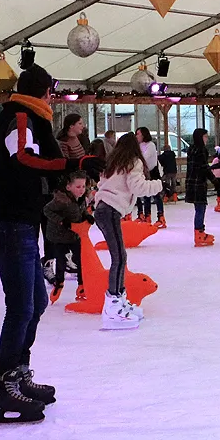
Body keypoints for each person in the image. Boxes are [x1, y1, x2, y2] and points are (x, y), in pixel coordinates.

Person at [0, 64, 101, 425]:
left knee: (34, 304)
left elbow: (31, 160)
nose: (53, 95)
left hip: (21, 223)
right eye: (51, 89)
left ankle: (19, 374)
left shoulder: (31, 117)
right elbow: (23, 158)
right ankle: (4, 387)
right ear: (42, 91)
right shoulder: (21, 116)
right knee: (21, 307)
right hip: (9, 223)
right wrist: (71, 161)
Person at [93, 134, 164, 331]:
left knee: (120, 257)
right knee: (119, 258)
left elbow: (101, 185)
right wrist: (159, 185)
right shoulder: (132, 162)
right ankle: (112, 305)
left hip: (103, 209)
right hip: (110, 210)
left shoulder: (113, 163)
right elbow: (138, 187)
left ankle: (119, 299)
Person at [43, 172, 91, 304]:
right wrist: (62, 221)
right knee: (61, 261)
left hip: (74, 235)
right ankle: (59, 283)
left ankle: (82, 285)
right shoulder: (61, 200)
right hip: (59, 236)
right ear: (68, 187)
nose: (81, 190)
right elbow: (47, 210)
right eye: (78, 187)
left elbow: (81, 210)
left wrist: (87, 216)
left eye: (83, 186)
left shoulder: (81, 198)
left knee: (81, 259)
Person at [183, 128, 217, 247]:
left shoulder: (191, 149)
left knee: (198, 207)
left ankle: (199, 231)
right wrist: (214, 180)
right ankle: (199, 233)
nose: (207, 139)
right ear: (200, 137)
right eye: (205, 136)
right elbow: (204, 167)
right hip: (198, 182)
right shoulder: (202, 150)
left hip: (191, 181)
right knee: (201, 207)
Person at [134, 127, 164, 228]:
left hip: (152, 172)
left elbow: (145, 158)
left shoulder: (150, 145)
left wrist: (137, 160)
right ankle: (147, 216)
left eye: (138, 134)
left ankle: (161, 217)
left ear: (143, 135)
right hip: (144, 172)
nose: (137, 136)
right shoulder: (138, 146)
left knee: (155, 195)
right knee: (146, 195)